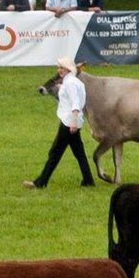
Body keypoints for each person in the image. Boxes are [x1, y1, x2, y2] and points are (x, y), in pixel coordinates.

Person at [26, 59, 94, 190]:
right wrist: (60, 88)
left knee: (55, 153)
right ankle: (88, 180)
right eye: (59, 67)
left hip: (68, 123)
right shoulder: (74, 82)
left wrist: (73, 121)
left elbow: (75, 103)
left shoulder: (70, 84)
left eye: (62, 68)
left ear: (68, 69)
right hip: (72, 122)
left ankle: (40, 183)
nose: (59, 70)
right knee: (79, 154)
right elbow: (76, 97)